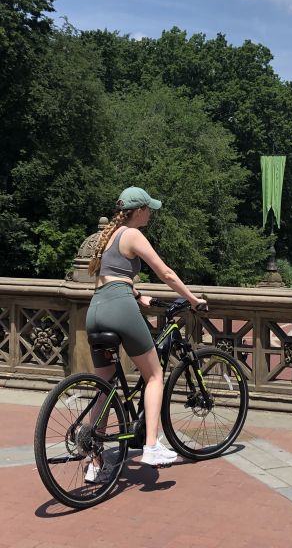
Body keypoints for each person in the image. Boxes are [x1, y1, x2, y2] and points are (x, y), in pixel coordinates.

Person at [86, 186, 206, 482]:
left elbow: (113, 277)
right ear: (138, 211)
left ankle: (94, 459)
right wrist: (193, 299)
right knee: (154, 376)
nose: (151, 213)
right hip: (119, 307)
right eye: (149, 208)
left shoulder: (109, 236)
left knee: (104, 385)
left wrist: (140, 296)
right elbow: (165, 273)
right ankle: (151, 445)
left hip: (96, 309)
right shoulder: (132, 234)